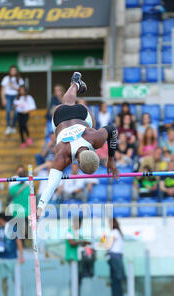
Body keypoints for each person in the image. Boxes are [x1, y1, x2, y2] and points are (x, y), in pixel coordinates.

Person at [36, 72, 119, 220]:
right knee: (66, 106)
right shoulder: (63, 154)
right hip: (59, 117)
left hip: (80, 115)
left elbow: (112, 129)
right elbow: (52, 183)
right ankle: (74, 85)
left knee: (70, 106)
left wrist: (111, 159)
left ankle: (75, 84)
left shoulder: (95, 139)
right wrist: (40, 208)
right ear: (78, 162)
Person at [0, 212, 24, 296]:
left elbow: (19, 242)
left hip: (12, 258)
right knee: (4, 279)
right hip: (2, 258)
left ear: (1, 219)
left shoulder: (13, 229)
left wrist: (21, 256)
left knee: (16, 279)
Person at [7, 165, 30, 239]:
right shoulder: (30, 188)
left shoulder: (12, 188)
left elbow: (9, 198)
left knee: (18, 234)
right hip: (27, 212)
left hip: (16, 212)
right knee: (25, 232)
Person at [1, 66, 24, 135]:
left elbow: (21, 90)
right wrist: (3, 99)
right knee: (8, 111)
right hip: (8, 96)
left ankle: (13, 126)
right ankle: (8, 127)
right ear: (10, 71)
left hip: (16, 97)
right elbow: (2, 89)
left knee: (16, 112)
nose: (13, 71)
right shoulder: (6, 78)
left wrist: (13, 86)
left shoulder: (19, 79)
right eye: (12, 70)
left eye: (15, 70)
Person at [106, 218, 126, 296]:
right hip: (117, 256)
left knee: (115, 279)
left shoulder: (114, 232)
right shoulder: (118, 233)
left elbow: (108, 245)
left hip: (114, 257)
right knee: (116, 278)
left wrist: (103, 240)